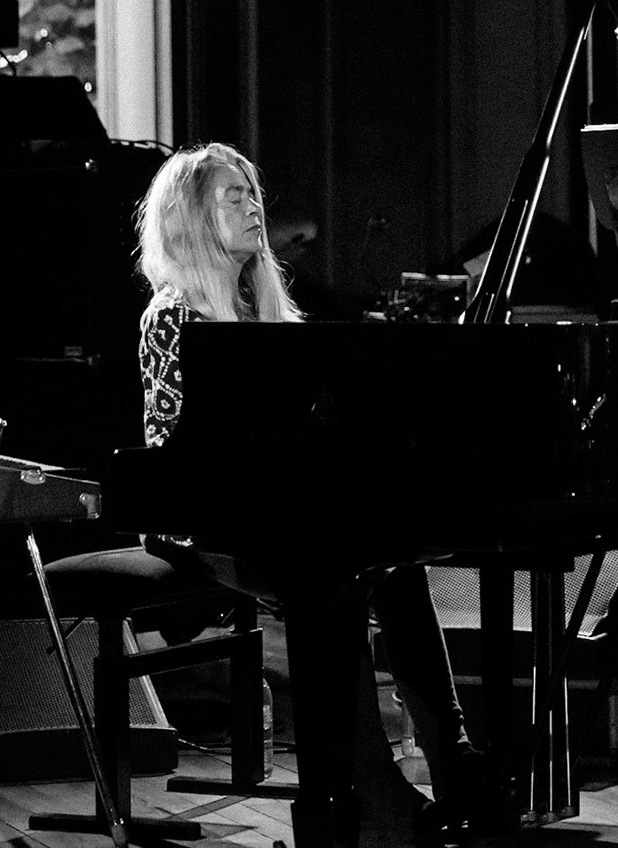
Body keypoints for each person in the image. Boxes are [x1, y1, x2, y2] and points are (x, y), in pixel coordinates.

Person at [134, 142, 490, 845]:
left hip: (276, 507)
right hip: (197, 518)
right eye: (233, 196)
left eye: (252, 193)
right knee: (333, 569)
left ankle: (451, 756)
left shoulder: (264, 307)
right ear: (193, 218)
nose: (254, 207)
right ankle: (369, 793)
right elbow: (181, 454)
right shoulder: (173, 317)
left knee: (393, 556)